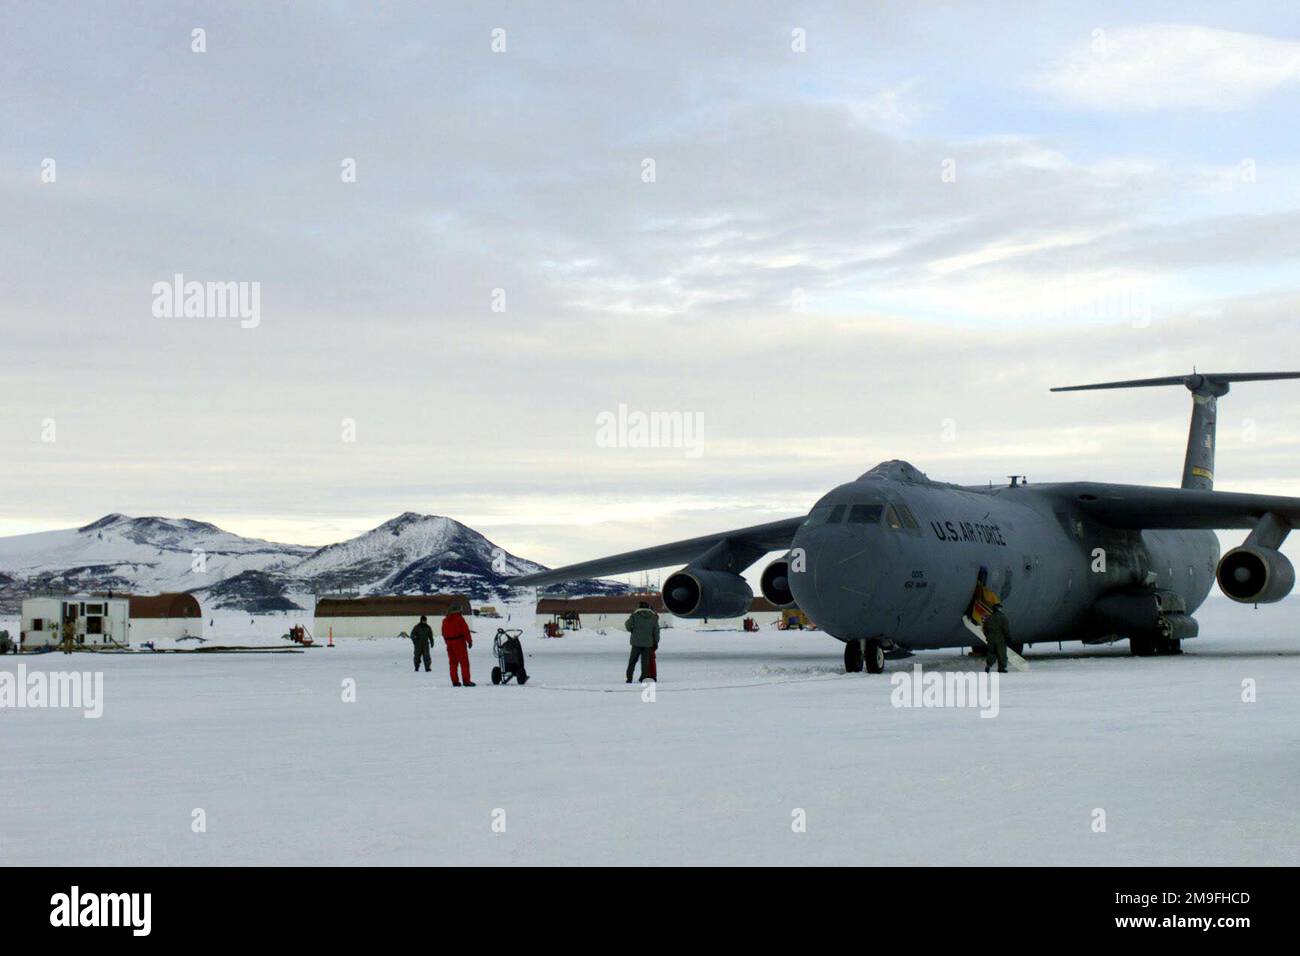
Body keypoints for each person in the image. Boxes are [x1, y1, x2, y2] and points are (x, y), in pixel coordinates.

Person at [624, 600, 660, 683]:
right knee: (645, 663)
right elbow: (656, 632)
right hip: (648, 644)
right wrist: (656, 642)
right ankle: (643, 678)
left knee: (632, 661)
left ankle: (629, 678)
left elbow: (628, 626)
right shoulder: (653, 617)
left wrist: (632, 630)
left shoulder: (635, 615)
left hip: (636, 643)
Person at [441, 603, 475, 687]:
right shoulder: (460, 619)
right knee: (464, 663)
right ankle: (466, 681)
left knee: (453, 663)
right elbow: (466, 631)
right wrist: (469, 641)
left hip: (449, 643)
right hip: (459, 642)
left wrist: (447, 642)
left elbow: (443, 633)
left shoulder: (445, 620)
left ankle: (455, 681)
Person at [982, 603, 1010, 674]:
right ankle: (1001, 668)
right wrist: (1008, 637)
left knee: (991, 653)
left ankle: (988, 665)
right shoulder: (1003, 617)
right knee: (1002, 653)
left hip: (991, 639)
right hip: (1000, 639)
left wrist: (988, 636)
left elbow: (984, 629)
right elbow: (1006, 629)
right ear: (999, 609)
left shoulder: (988, 618)